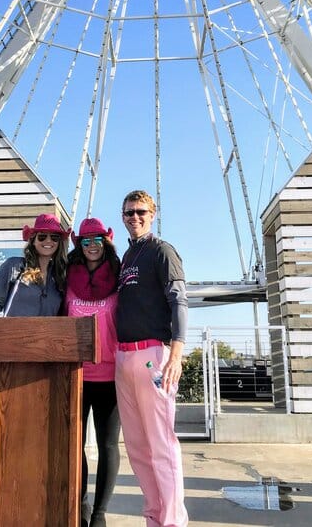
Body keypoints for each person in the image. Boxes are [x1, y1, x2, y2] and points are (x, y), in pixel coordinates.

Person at [115, 190, 189, 527]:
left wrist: (177, 352)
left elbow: (178, 301)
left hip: (152, 356)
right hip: (124, 357)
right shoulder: (127, 258)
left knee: (161, 444)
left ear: (153, 213)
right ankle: (154, 517)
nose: (135, 217)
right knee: (137, 448)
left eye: (140, 211)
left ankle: (173, 521)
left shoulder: (162, 251)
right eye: (129, 213)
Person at [64, 217, 121, 527]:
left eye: (97, 240)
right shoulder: (67, 276)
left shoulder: (120, 273)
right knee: (75, 445)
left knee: (107, 445)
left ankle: (99, 516)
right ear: (78, 245)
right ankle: (80, 510)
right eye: (85, 241)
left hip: (111, 375)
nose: (92, 246)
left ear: (106, 241)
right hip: (75, 375)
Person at [0, 213, 69, 317]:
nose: (48, 240)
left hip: (48, 333)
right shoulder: (14, 266)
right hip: (14, 332)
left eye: (54, 237)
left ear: (59, 243)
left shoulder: (60, 275)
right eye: (42, 236)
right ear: (33, 241)